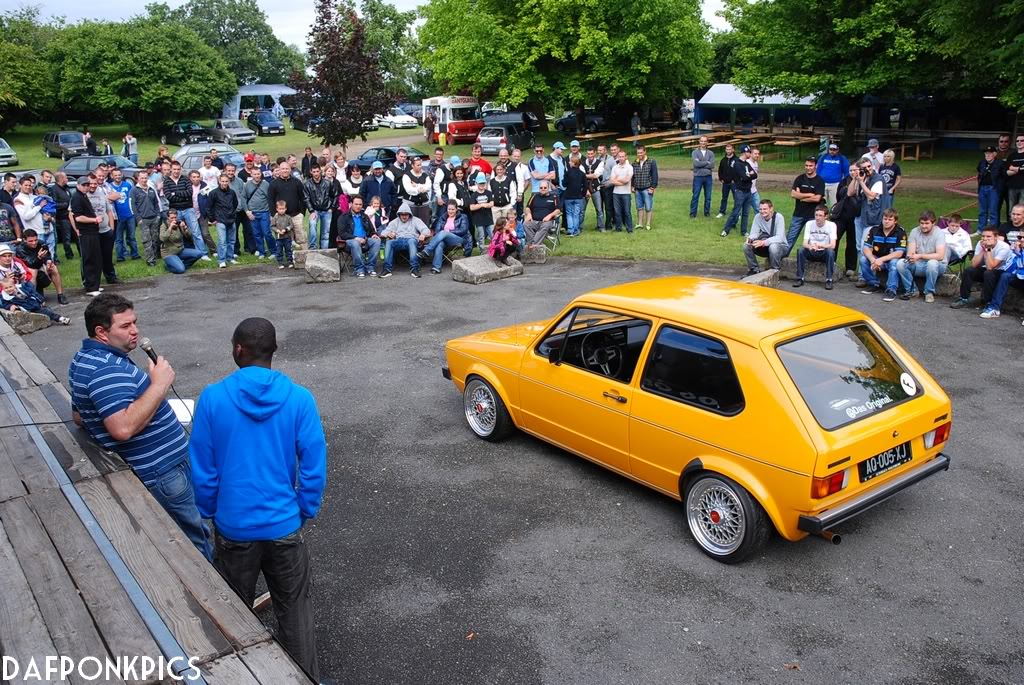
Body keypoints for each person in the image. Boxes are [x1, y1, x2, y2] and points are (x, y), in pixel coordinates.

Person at [189, 317, 326, 683]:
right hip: (284, 523)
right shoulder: (299, 398)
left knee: (234, 615)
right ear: (274, 351)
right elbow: (313, 462)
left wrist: (211, 510)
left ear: (238, 349)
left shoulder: (213, 398)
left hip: (234, 527)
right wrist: (304, 507)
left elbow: (202, 466)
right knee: (295, 610)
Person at [70, 294, 211, 558]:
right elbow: (122, 428)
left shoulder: (85, 358)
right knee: (193, 540)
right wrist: (158, 384)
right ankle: (219, 594)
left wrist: (144, 405)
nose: (135, 331)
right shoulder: (105, 370)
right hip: (163, 472)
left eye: (135, 322)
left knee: (192, 531)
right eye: (125, 326)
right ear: (101, 332)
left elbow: (80, 416)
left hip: (163, 468)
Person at [951, 226, 1010, 311]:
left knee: (988, 273)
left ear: (996, 237)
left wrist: (988, 249)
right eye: (983, 236)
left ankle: (988, 302)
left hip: (1000, 271)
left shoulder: (1004, 247)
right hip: (986, 268)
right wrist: (983, 249)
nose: (985, 239)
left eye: (988, 236)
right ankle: (963, 298)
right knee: (969, 270)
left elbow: (991, 267)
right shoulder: (980, 243)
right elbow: (974, 264)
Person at [895, 210, 947, 302]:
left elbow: (940, 256)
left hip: (937, 265)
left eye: (927, 223)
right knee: (900, 264)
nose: (923, 226)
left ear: (933, 223)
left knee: (932, 263)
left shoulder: (939, 233)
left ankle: (929, 292)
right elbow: (910, 253)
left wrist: (920, 256)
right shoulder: (915, 231)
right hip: (919, 263)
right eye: (922, 223)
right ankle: (912, 290)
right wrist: (911, 258)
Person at [860, 208, 907, 301]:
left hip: (891, 259)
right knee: (863, 260)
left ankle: (891, 290)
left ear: (895, 221)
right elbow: (866, 248)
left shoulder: (900, 232)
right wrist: (873, 260)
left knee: (894, 263)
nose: (887, 221)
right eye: (885, 218)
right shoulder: (874, 230)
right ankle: (873, 284)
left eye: (890, 219)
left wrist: (881, 260)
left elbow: (899, 253)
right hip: (876, 258)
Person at [16, 229, 69, 304]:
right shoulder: (20, 249)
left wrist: (48, 261)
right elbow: (30, 264)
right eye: (30, 241)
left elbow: (48, 255)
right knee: (33, 271)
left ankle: (60, 295)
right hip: (27, 270)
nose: (34, 243)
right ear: (24, 240)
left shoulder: (41, 243)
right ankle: (33, 297)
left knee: (53, 267)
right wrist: (39, 257)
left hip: (40, 266)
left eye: (35, 240)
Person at [784, 157, 826, 252]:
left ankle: (810, 259)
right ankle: (781, 256)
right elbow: (793, 194)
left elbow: (817, 198)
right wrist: (808, 195)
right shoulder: (799, 178)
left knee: (812, 241)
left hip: (812, 216)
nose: (808, 168)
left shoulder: (820, 181)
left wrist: (801, 197)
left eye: (811, 166)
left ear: (816, 166)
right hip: (798, 214)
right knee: (790, 238)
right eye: (806, 165)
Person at [86, 173, 120, 287]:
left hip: (106, 230)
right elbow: (72, 214)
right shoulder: (83, 195)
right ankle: (94, 281)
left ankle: (111, 277)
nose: (93, 186)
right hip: (92, 232)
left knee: (107, 256)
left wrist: (111, 228)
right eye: (91, 183)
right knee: (94, 258)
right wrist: (76, 230)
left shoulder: (101, 194)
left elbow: (109, 211)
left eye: (95, 183)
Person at [71, 176, 103, 295]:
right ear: (78, 186)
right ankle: (90, 287)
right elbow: (78, 217)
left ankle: (95, 284)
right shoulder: (76, 197)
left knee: (96, 258)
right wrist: (94, 219)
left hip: (93, 231)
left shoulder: (83, 196)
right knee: (88, 258)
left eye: (87, 185)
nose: (86, 187)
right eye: (83, 185)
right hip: (86, 232)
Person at [380, 202, 430, 278]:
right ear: (399, 214)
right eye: (402, 214)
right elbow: (384, 232)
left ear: (409, 214)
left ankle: (414, 269)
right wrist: (388, 234)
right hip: (399, 240)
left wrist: (423, 234)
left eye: (406, 214)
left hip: (411, 239)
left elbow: (426, 230)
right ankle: (387, 269)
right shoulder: (395, 221)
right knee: (389, 242)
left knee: (411, 241)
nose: (404, 216)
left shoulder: (416, 220)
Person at [421, 200, 472, 274]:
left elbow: (463, 230)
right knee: (440, 243)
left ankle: (427, 250)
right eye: (449, 209)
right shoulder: (442, 218)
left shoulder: (463, 217)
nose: (450, 211)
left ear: (456, 209)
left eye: (452, 209)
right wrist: (445, 233)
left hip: (459, 239)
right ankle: (436, 267)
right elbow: (437, 231)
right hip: (445, 240)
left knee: (443, 232)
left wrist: (448, 232)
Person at [791, 205, 837, 289]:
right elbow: (804, 243)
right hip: (812, 251)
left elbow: (833, 245)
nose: (817, 218)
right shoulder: (809, 224)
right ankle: (799, 278)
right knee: (801, 250)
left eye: (820, 215)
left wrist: (821, 245)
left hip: (824, 252)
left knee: (831, 252)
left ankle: (829, 280)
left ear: (825, 216)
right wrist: (810, 246)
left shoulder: (832, 225)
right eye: (816, 215)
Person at [983, 231, 1024, 320]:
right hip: (1020, 277)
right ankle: (994, 308)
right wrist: (1017, 253)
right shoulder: (1018, 251)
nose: (1021, 240)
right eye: (1020, 238)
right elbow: (1010, 268)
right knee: (1005, 276)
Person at [337, 196, 381, 278]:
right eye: (356, 204)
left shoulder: (365, 216)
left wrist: (374, 234)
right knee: (355, 243)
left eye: (360, 204)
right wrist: (355, 238)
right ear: (351, 204)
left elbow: (371, 230)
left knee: (376, 241)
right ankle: (359, 269)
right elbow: (342, 233)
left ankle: (370, 267)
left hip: (365, 240)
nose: (358, 206)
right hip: (349, 242)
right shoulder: (343, 217)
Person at [267, 163, 307, 252]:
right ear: (280, 170)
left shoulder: (297, 182)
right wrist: (274, 215)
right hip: (281, 217)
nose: (285, 170)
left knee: (301, 237)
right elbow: (270, 200)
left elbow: (303, 198)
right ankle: (289, 258)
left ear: (290, 170)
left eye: (287, 169)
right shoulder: (273, 184)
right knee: (284, 239)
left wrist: (302, 212)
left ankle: (306, 255)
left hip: (296, 215)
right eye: (283, 169)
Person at [743, 199, 788, 275]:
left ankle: (775, 271)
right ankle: (754, 269)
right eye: (760, 209)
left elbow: (779, 238)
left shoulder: (779, 217)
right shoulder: (757, 217)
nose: (762, 211)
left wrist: (764, 242)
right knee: (746, 246)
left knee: (773, 247)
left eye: (765, 209)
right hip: (764, 245)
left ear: (771, 209)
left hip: (780, 247)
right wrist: (750, 239)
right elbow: (754, 233)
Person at [1, 274, 69, 324]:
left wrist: (41, 300)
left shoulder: (22, 288)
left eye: (10, 287)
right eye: (6, 288)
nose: (9, 289)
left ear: (14, 285)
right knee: (47, 312)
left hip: (34, 304)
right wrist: (10, 306)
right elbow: (4, 304)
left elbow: (33, 292)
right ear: (3, 289)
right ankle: (61, 319)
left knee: (47, 311)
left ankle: (54, 317)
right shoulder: (5, 297)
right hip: (27, 309)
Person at [721, 145, 757, 237]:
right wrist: (749, 175)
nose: (750, 153)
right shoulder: (737, 164)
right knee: (736, 211)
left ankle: (744, 231)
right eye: (749, 152)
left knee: (746, 213)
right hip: (740, 191)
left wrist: (748, 175)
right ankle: (726, 230)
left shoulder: (747, 164)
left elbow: (755, 175)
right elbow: (744, 177)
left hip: (748, 192)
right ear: (744, 153)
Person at [207, 174, 239, 269]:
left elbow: (235, 203)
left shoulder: (232, 192)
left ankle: (230, 257)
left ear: (228, 182)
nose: (224, 183)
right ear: (219, 181)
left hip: (231, 219)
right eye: (223, 181)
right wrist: (213, 219)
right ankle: (221, 260)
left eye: (226, 181)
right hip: (220, 220)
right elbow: (209, 207)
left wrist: (233, 215)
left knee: (232, 240)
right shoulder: (213, 193)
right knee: (222, 241)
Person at [130, 170, 162, 266]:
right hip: (143, 220)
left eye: (145, 178)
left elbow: (156, 203)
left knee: (155, 239)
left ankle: (155, 256)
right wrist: (138, 218)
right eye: (142, 178)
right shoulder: (134, 190)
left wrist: (158, 215)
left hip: (154, 218)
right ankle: (150, 260)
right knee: (146, 240)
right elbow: (132, 206)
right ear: (138, 178)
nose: (144, 180)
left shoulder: (151, 189)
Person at [160, 209, 205, 274]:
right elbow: (162, 238)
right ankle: (168, 267)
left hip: (180, 250)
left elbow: (189, 236)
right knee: (181, 270)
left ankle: (182, 265)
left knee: (199, 253)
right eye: (171, 218)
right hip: (169, 253)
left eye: (175, 217)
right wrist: (170, 228)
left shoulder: (178, 223)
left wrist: (185, 228)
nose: (174, 219)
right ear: (168, 217)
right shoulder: (164, 225)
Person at [109, 169, 140, 262]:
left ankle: (135, 254)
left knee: (131, 237)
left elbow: (132, 198)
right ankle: (120, 256)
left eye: (119, 175)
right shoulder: (109, 187)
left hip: (130, 215)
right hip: (118, 216)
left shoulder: (127, 185)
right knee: (118, 239)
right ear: (112, 176)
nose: (118, 177)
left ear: (122, 175)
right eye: (115, 175)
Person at [243, 168, 273, 258]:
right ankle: (261, 252)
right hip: (253, 213)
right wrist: (247, 211)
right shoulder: (247, 185)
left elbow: (270, 199)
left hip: (265, 211)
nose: (256, 176)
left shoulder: (266, 184)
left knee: (267, 233)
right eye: (254, 174)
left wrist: (271, 213)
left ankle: (273, 251)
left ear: (261, 174)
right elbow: (243, 198)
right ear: (251, 175)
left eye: (258, 174)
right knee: (257, 234)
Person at [303, 165, 334, 251]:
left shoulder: (328, 183)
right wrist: (311, 211)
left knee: (325, 232)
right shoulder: (307, 184)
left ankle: (324, 250)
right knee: (312, 225)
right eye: (314, 172)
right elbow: (306, 198)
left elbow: (334, 195)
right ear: (311, 172)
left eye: (317, 171)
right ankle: (312, 247)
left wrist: (332, 207)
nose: (316, 174)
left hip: (326, 210)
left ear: (320, 171)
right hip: (315, 210)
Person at [49, 172, 77, 260]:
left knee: (76, 234)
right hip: (63, 217)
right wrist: (65, 205)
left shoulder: (66, 188)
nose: (67, 180)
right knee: (67, 237)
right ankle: (69, 255)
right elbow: (53, 203)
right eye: (66, 178)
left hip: (71, 215)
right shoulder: (54, 189)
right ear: (61, 179)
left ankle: (81, 253)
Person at [977, 146, 1005, 230]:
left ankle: (993, 230)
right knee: (982, 211)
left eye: (990, 153)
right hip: (982, 188)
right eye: (986, 153)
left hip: (994, 189)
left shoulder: (1000, 163)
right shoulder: (982, 163)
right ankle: (980, 229)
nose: (987, 155)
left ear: (995, 154)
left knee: (993, 211)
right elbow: (979, 172)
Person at [632, 145, 658, 231]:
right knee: (639, 207)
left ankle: (648, 224)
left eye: (641, 152)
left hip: (647, 188)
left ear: (645, 152)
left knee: (648, 207)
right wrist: (632, 186)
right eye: (638, 153)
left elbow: (655, 175)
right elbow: (633, 176)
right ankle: (640, 223)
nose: (639, 154)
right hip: (637, 189)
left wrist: (653, 187)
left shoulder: (651, 162)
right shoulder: (634, 163)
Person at [400, 157, 432, 227]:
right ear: (412, 165)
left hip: (424, 204)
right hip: (410, 204)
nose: (420, 167)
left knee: (424, 224)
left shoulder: (425, 175)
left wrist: (417, 186)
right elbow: (409, 190)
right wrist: (421, 188)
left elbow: (428, 187)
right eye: (418, 165)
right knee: (410, 224)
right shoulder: (406, 176)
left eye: (420, 165)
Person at [608, 150, 634, 233]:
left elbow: (627, 180)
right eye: (620, 157)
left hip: (626, 193)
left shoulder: (629, 167)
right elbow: (612, 181)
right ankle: (618, 228)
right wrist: (622, 181)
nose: (621, 158)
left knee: (627, 212)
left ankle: (629, 228)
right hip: (616, 193)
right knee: (617, 212)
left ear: (626, 157)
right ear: (618, 157)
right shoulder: (615, 167)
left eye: (623, 156)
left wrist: (617, 179)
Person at [816, 142, 849, 206]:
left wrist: (845, 183)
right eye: (831, 149)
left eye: (834, 150)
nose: (832, 151)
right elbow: (818, 168)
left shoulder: (842, 159)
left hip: (835, 184)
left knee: (835, 204)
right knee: (821, 203)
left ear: (837, 150)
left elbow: (846, 172)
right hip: (822, 183)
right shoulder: (824, 157)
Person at [562, 156, 587, 237]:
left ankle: (570, 230)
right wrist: (582, 194)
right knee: (576, 214)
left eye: (570, 161)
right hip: (578, 196)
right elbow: (585, 186)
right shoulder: (582, 174)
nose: (569, 162)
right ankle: (576, 230)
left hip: (568, 196)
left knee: (569, 213)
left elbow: (564, 184)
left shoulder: (567, 173)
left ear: (573, 163)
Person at [581, 147, 606, 230]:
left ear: (595, 153)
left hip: (596, 188)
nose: (590, 155)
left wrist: (585, 176)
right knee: (582, 210)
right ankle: (579, 227)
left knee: (599, 210)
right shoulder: (583, 163)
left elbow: (596, 175)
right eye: (588, 154)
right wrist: (588, 176)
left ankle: (601, 227)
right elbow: (581, 176)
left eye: (592, 154)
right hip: (585, 189)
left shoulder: (600, 163)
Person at [690, 136, 714, 218]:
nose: (703, 143)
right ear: (699, 142)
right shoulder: (694, 152)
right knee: (695, 195)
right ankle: (693, 213)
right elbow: (696, 164)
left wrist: (701, 163)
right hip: (698, 177)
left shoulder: (711, 153)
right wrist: (707, 162)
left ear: (707, 142)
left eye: (705, 141)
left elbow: (712, 165)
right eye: (702, 141)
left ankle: (707, 213)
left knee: (708, 196)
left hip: (708, 177)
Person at [489, 163, 517, 228]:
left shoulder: (509, 180)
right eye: (497, 170)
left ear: (504, 170)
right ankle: (497, 237)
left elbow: (513, 193)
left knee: (507, 223)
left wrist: (511, 203)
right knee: (496, 224)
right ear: (495, 171)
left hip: (506, 206)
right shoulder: (491, 181)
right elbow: (489, 193)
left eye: (501, 169)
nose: (499, 171)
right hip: (495, 207)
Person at [271, 200, 295, 269]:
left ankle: (290, 261)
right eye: (280, 209)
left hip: (287, 237)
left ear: (285, 209)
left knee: (288, 249)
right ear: (277, 209)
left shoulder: (288, 217)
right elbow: (272, 226)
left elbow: (291, 225)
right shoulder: (275, 218)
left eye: (283, 209)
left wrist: (286, 229)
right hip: (279, 238)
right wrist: (277, 230)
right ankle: (280, 262)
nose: (281, 210)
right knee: (279, 250)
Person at [715, 144, 737, 219]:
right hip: (725, 183)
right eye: (727, 149)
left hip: (734, 183)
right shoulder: (723, 160)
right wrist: (721, 178)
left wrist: (736, 179)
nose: (728, 151)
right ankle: (722, 212)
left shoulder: (736, 160)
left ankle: (737, 213)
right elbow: (720, 170)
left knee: (736, 198)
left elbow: (739, 171)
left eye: (730, 149)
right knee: (724, 198)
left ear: (733, 150)